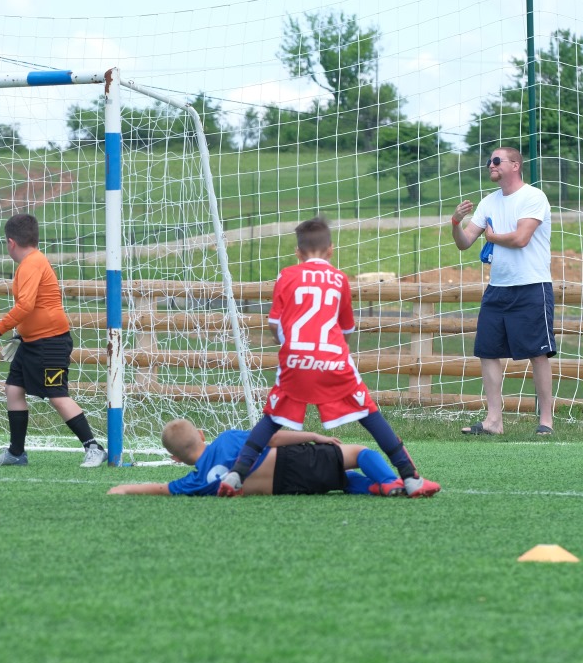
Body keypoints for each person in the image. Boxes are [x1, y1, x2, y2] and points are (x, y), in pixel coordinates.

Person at [217, 217, 440, 499]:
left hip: (296, 359)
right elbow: (346, 328)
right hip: (333, 358)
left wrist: (286, 343)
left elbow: (275, 325)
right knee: (370, 415)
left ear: (298, 252)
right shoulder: (339, 279)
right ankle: (410, 478)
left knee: (272, 418)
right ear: (331, 250)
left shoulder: (286, 275)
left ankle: (237, 474)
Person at [0, 213, 106, 468]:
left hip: (50, 344)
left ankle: (94, 447)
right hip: (32, 343)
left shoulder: (31, 264)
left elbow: (25, 306)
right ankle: (16, 452)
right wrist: (21, 334)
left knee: (57, 395)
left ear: (11, 242)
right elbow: (31, 309)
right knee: (13, 390)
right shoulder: (32, 261)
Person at [451, 146, 555, 437]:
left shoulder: (533, 196)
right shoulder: (488, 201)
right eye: (489, 162)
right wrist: (455, 223)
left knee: (538, 353)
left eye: (496, 161)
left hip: (532, 286)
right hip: (497, 289)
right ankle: (493, 420)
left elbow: (522, 238)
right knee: (487, 351)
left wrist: (493, 236)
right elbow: (464, 242)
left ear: (515, 165)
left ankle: (546, 421)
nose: (490, 165)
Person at [108, 417, 403, 497]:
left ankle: (375, 488)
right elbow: (271, 437)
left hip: (288, 487)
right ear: (200, 434)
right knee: (359, 453)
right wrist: (314, 436)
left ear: (174, 459)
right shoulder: (226, 439)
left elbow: (161, 490)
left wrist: (125, 488)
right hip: (293, 461)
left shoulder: (197, 482)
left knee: (345, 480)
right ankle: (389, 481)